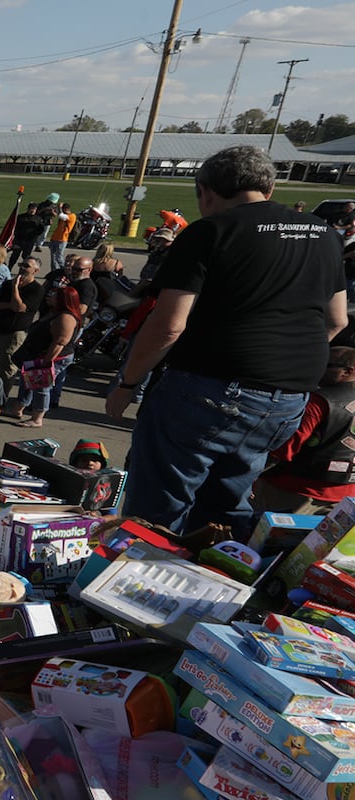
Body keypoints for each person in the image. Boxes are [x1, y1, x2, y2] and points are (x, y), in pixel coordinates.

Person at [108, 145, 348, 533]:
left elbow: (169, 325)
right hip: (289, 398)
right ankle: (217, 579)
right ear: (268, 186)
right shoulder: (323, 232)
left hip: (210, 389)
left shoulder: (209, 231)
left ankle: (139, 582)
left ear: (206, 190)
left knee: (156, 511)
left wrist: (128, 384)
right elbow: (335, 320)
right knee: (226, 508)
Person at [249, 348, 355, 515]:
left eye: (326, 365)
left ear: (347, 372)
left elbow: (286, 447)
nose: (317, 368)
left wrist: (249, 476)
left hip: (293, 491)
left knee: (255, 536)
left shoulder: (319, 401)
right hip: (345, 498)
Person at [9, 284, 82, 428]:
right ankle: (19, 408)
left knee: (41, 386)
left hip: (51, 357)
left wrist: (45, 362)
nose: (49, 296)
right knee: (28, 381)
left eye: (54, 295)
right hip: (38, 355)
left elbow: (60, 342)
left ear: (62, 299)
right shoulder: (55, 312)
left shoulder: (66, 317)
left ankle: (37, 418)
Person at [0, 257, 44, 385]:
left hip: (13, 334)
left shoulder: (36, 289)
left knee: (7, 367)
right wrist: (9, 305)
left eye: (26, 266)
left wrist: (15, 288)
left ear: (36, 271)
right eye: (21, 264)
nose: (22, 268)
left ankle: (2, 399)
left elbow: (19, 307)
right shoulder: (7, 284)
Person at [46, 195, 77, 272]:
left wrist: (59, 207)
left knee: (59, 257)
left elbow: (61, 216)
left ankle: (66, 270)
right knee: (53, 258)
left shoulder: (72, 216)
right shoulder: (65, 216)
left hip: (62, 239)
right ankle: (54, 271)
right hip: (54, 238)